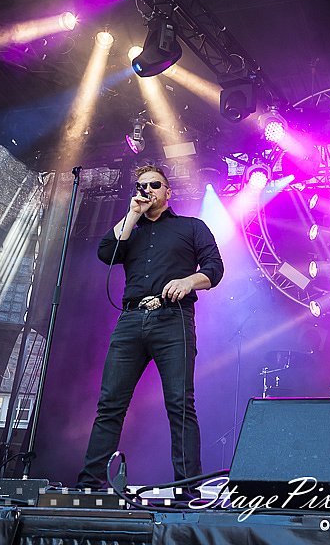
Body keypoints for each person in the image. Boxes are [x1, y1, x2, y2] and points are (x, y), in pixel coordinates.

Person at [77, 164, 224, 491]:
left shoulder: (191, 227)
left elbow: (215, 268)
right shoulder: (130, 230)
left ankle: (187, 489)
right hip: (130, 320)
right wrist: (132, 214)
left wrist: (188, 281)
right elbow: (105, 253)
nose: (147, 190)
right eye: (141, 185)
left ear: (168, 192)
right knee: (110, 404)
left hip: (172, 318)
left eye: (154, 185)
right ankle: (90, 484)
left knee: (180, 404)